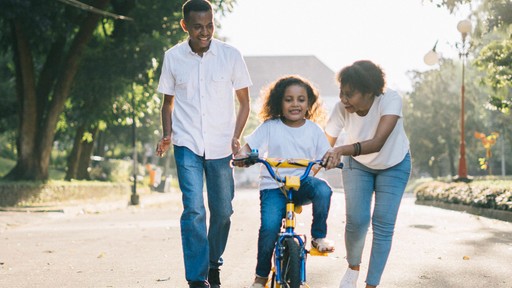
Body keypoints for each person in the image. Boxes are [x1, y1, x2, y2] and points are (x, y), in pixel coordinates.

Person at [155, 1, 252, 287]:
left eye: (210, 25)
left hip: (222, 146)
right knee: (194, 209)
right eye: (198, 27)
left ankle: (213, 263)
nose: (205, 32)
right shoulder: (173, 57)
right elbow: (167, 104)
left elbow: (245, 103)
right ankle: (197, 280)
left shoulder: (231, 55)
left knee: (223, 211)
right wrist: (167, 134)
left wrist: (236, 135)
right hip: (187, 144)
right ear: (185, 26)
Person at [233, 75, 335, 288]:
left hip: (302, 184)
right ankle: (261, 276)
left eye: (301, 99)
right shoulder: (270, 126)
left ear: (309, 104)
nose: (295, 104)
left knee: (324, 190)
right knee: (269, 228)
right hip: (274, 186)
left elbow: (326, 154)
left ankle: (318, 237)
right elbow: (248, 148)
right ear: (279, 102)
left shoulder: (314, 130)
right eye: (288, 99)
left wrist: (329, 160)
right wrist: (243, 157)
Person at [322, 60, 411, 288]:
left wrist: (340, 150)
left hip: (394, 164)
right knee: (357, 220)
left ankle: (371, 284)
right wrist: (307, 168)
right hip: (358, 165)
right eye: (342, 92)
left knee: (383, 223)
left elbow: (378, 142)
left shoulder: (390, 99)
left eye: (350, 94)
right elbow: (324, 144)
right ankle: (353, 268)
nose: (343, 99)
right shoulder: (342, 108)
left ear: (370, 91)